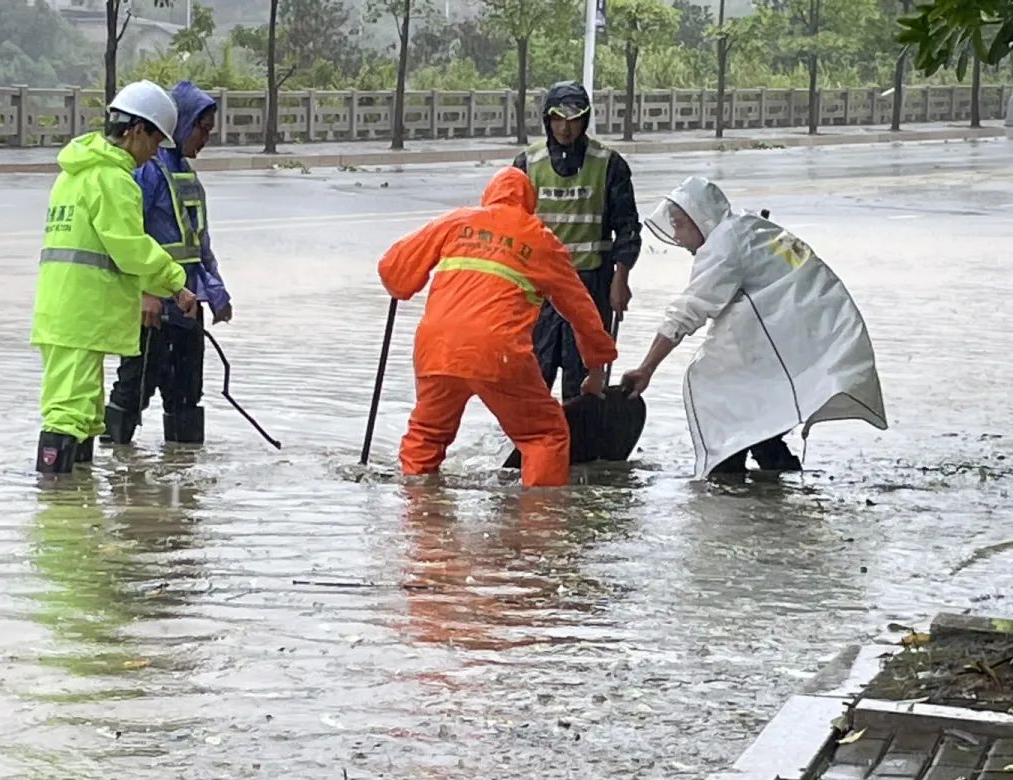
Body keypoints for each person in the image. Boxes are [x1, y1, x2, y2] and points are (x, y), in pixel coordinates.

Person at [621, 176, 887, 478]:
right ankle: (770, 484)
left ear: (701, 218)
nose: (678, 236)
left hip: (785, 342)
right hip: (799, 337)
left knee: (722, 395)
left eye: (680, 225)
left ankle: (738, 489)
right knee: (757, 418)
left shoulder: (724, 245)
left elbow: (689, 310)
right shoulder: (748, 226)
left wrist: (647, 368)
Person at [377, 166, 618, 487]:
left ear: (488, 196)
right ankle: (539, 526)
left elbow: (394, 271)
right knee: (544, 435)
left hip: (437, 349)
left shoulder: (456, 222)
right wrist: (597, 368)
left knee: (427, 436)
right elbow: (582, 312)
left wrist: (400, 282)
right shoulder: (542, 241)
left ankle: (423, 524)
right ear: (530, 203)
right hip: (499, 353)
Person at [31, 80, 197, 475]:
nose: (156, 152)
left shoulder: (74, 174)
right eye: (156, 140)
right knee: (67, 414)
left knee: (84, 412)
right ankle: (56, 517)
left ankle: (75, 511)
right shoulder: (113, 180)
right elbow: (130, 248)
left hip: (67, 313)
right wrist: (175, 282)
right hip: (82, 315)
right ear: (138, 130)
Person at [102, 80, 232, 446]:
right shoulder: (147, 171)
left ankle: (181, 491)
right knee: (133, 393)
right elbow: (127, 239)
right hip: (153, 310)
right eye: (201, 128)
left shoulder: (187, 176)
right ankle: (118, 472)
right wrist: (144, 294)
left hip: (187, 306)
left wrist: (217, 292)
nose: (205, 138)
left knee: (187, 396)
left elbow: (198, 245)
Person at [513, 80, 641, 401]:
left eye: (574, 119)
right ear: (547, 119)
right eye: (558, 119)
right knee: (533, 375)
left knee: (582, 376)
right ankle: (530, 440)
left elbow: (627, 228)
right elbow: (509, 230)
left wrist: (621, 280)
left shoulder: (609, 164)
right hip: (539, 290)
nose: (565, 128)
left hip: (590, 284)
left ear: (585, 119)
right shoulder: (527, 164)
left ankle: (580, 440)